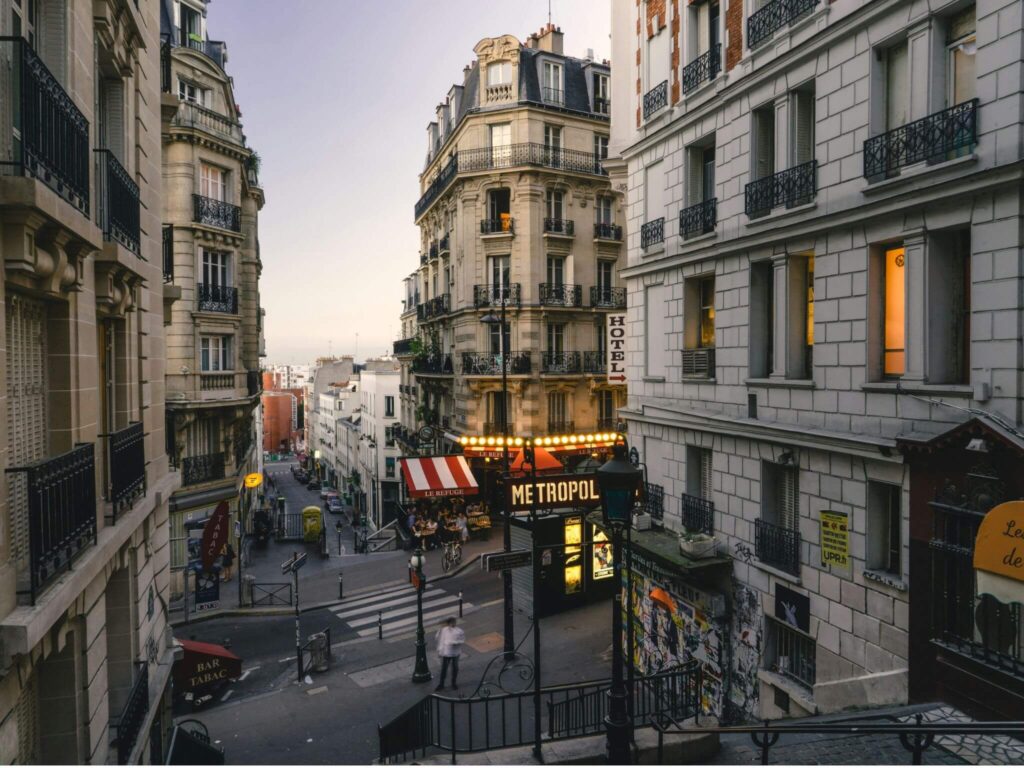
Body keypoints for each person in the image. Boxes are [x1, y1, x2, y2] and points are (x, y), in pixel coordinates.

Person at [435, 617, 465, 691]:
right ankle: (441, 684)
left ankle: (453, 683)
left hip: (455, 653)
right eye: (452, 622)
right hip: (446, 653)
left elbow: (462, 640)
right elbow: (439, 639)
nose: (453, 624)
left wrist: (456, 643)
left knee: (455, 668)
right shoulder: (444, 630)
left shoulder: (459, 631)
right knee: (444, 669)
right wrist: (439, 650)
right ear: (449, 623)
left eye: (454, 622)